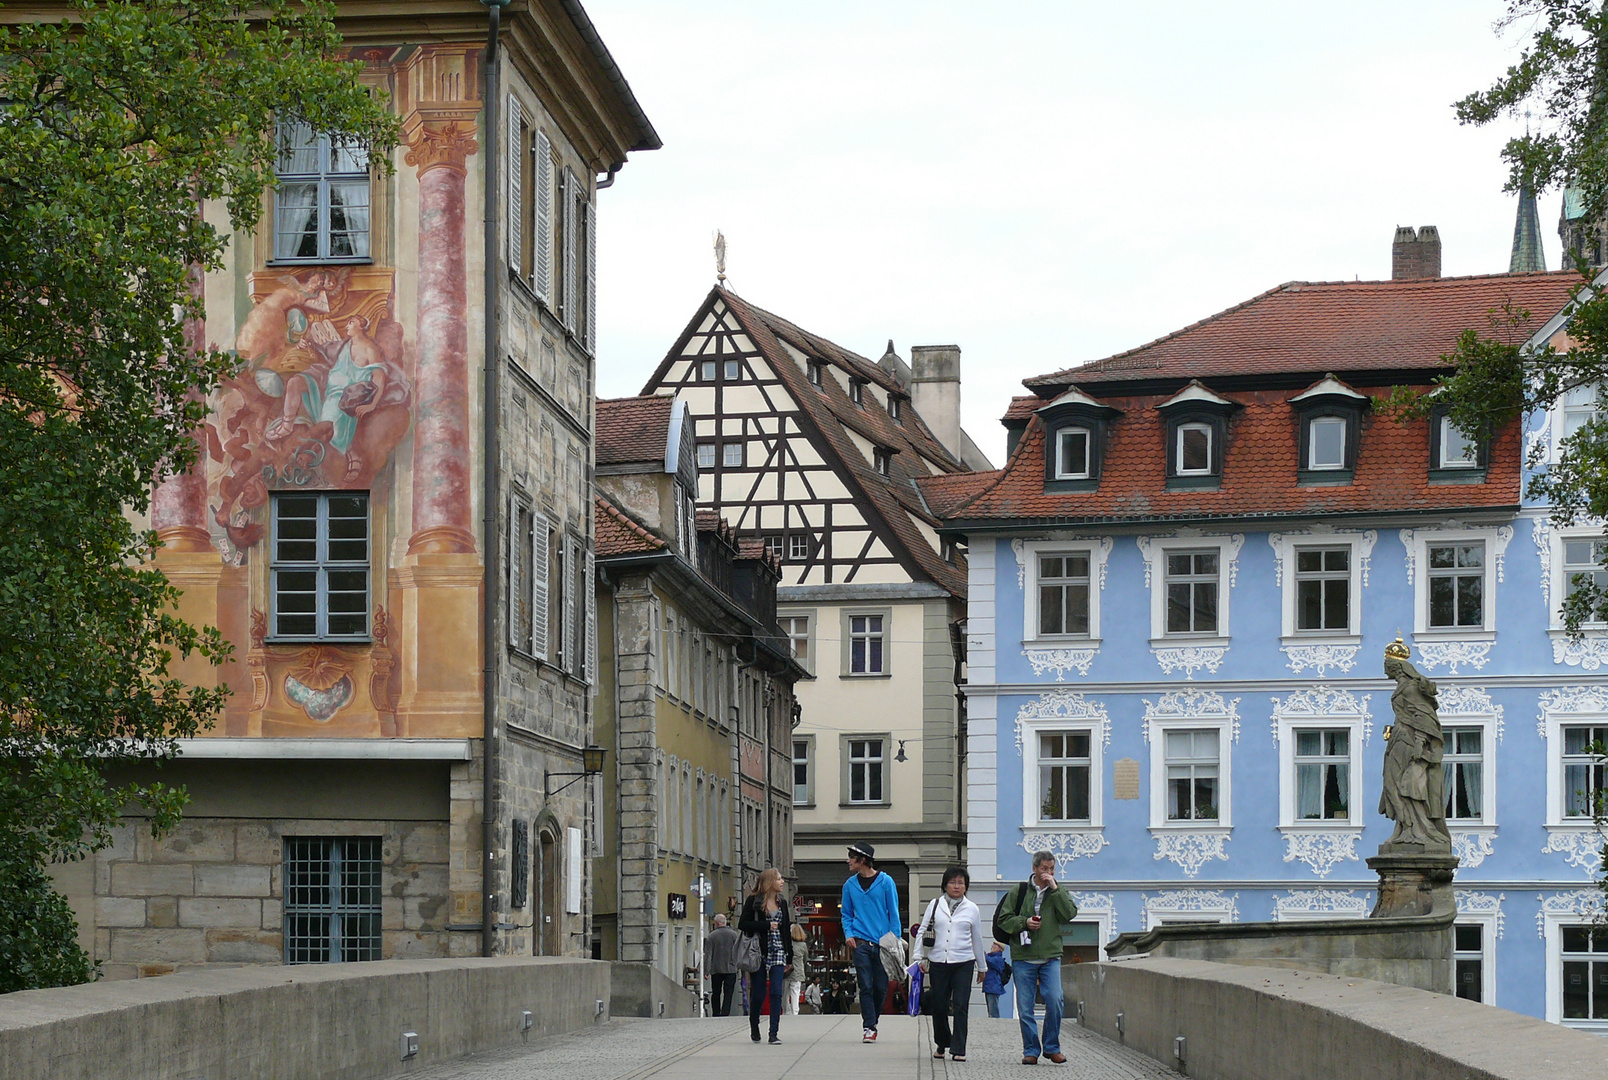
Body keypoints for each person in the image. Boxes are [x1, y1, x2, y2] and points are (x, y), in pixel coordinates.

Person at [996, 851, 1078, 1065]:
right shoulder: (1020, 891)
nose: (1048, 873)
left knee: (1055, 999)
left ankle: (1051, 1047)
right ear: (1034, 869)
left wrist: (1056, 889)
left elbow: (1069, 914)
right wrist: (1025, 923)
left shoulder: (1057, 891)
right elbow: (1004, 919)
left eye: (1052, 869)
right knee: (1025, 1007)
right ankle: (1031, 1049)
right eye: (1044, 869)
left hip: (1050, 956)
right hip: (1024, 957)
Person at [1379, 638, 1452, 850]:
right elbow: (1407, 716)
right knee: (1392, 785)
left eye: (1386, 667)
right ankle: (1403, 829)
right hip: (1398, 739)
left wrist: (1420, 742)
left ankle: (1417, 830)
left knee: (1405, 786)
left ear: (1394, 667)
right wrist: (1392, 729)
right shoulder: (1404, 687)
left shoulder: (1411, 688)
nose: (1384, 673)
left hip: (1408, 744)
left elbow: (1425, 718)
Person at [912, 865, 988, 1062]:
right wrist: (919, 956)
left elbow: (977, 938)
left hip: (963, 961)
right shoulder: (935, 904)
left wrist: (982, 967)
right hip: (938, 961)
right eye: (952, 882)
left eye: (961, 883)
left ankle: (959, 1048)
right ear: (945, 884)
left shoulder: (972, 908)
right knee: (939, 1005)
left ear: (966, 886)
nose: (956, 886)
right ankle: (942, 1043)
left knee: (961, 1005)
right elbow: (922, 931)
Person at [840, 841, 902, 1044]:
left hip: (883, 943)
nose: (848, 860)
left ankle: (873, 1019)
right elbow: (846, 913)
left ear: (863, 860)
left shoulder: (885, 882)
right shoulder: (849, 885)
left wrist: (896, 939)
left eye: (851, 857)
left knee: (881, 987)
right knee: (865, 984)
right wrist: (848, 933)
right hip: (860, 942)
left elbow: (893, 911)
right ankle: (869, 1027)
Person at [739, 867, 793, 1044]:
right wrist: (765, 926)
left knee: (777, 992)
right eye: (778, 879)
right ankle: (754, 1026)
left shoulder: (782, 902)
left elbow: (786, 928)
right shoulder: (754, 901)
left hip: (778, 950)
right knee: (759, 992)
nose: (782, 882)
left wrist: (789, 957)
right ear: (769, 882)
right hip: (759, 951)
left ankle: (773, 1033)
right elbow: (743, 924)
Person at [704, 913, 740, 1017]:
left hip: (716, 969)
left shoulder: (711, 936)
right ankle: (725, 1013)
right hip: (731, 969)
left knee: (716, 993)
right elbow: (738, 951)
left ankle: (716, 1013)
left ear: (716, 923)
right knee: (728, 994)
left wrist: (707, 971)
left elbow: (708, 955)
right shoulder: (734, 935)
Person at [784, 923, 808, 1015]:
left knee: (785, 993)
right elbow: (805, 959)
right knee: (795, 992)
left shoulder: (787, 944)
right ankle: (795, 1011)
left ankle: (786, 1011)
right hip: (798, 972)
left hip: (787, 971)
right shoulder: (803, 945)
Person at [982, 942, 1010, 1018]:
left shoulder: (998, 959)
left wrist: (982, 953)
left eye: (995, 945)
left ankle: (995, 1024)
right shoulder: (993, 957)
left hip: (993, 987)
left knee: (993, 1010)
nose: (992, 946)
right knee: (990, 1008)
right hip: (990, 986)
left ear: (999, 949)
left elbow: (990, 961)